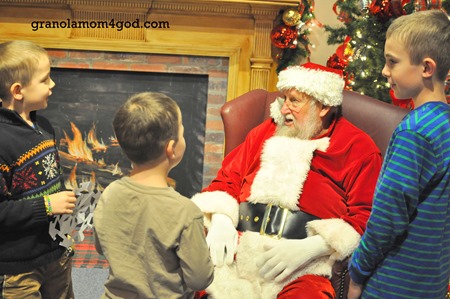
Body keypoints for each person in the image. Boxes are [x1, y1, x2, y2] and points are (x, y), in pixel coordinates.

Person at [191, 62, 383, 299]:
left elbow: (367, 216)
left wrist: (311, 248)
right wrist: (220, 219)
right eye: (285, 99)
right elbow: (227, 180)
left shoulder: (356, 147)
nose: (283, 109)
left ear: (322, 106)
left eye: (294, 101)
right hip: (238, 254)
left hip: (302, 267)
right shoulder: (264, 132)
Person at [348, 10, 450, 299]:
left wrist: (357, 272)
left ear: (426, 68)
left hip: (393, 286)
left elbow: (387, 217)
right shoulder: (444, 123)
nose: (384, 70)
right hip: (430, 284)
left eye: (392, 61)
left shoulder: (415, 133)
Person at [93, 92, 214, 299]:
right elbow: (200, 279)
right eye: (182, 133)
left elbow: (100, 246)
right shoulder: (186, 212)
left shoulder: (109, 193)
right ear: (171, 148)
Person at [0, 40, 77, 298]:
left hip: (57, 253)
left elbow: (53, 181)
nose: (52, 84)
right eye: (45, 80)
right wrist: (46, 205)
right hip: (20, 270)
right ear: (18, 90)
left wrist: (65, 225)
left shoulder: (44, 126)